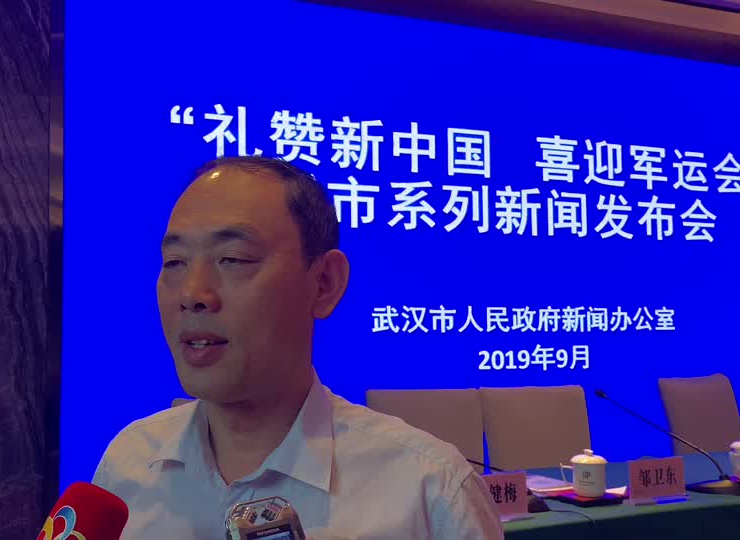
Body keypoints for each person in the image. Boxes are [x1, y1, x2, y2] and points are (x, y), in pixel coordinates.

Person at [92, 156, 503, 539]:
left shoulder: (429, 492)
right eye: (174, 262)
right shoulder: (127, 467)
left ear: (324, 283)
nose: (192, 294)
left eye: (232, 259)